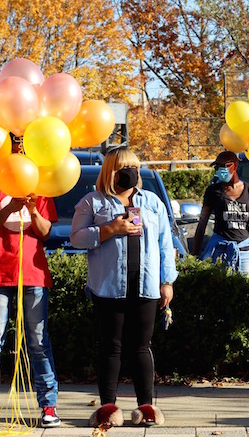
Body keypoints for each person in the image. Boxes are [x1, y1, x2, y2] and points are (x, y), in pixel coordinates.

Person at [70, 148, 177, 428]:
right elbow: (76, 238)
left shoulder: (152, 202)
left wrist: (167, 281)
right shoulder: (92, 202)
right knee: (111, 347)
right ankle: (108, 407)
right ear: (110, 171)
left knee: (142, 347)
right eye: (124, 167)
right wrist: (109, 230)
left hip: (146, 287)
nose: (131, 172)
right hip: (107, 288)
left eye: (135, 166)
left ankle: (147, 407)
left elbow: (166, 244)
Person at [0, 135, 61, 430]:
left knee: (38, 341)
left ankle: (48, 404)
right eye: (13, 143)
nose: (18, 149)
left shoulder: (40, 184)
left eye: (23, 143)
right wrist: (8, 209)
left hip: (33, 273)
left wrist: (33, 209)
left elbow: (46, 233)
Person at [192, 150, 249, 276]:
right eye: (217, 167)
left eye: (224, 166)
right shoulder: (213, 191)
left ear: (235, 166)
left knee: (245, 291)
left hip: (244, 251)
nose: (220, 170)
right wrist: (194, 255)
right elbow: (202, 224)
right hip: (221, 250)